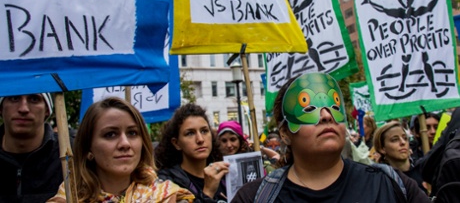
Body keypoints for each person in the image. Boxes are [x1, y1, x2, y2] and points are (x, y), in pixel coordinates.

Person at [231, 72, 430, 202]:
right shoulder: (254, 198)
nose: (326, 116)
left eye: (335, 107)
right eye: (309, 109)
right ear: (285, 133)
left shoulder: (391, 185)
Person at [47, 97, 194, 202]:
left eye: (132, 133)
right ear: (88, 149)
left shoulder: (169, 197)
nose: (125, 143)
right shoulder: (67, 198)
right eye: (110, 134)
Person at [155, 103, 228, 202]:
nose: (200, 139)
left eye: (204, 131)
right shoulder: (168, 185)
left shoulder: (225, 176)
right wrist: (208, 193)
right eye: (190, 133)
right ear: (176, 143)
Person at [0, 93, 64, 202]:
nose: (23, 109)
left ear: (47, 109)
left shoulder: (71, 155)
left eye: (34, 99)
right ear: (1, 108)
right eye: (14, 98)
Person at [373, 121, 426, 193]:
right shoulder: (381, 180)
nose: (403, 142)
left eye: (405, 138)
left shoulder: (424, 169)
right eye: (395, 140)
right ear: (382, 148)